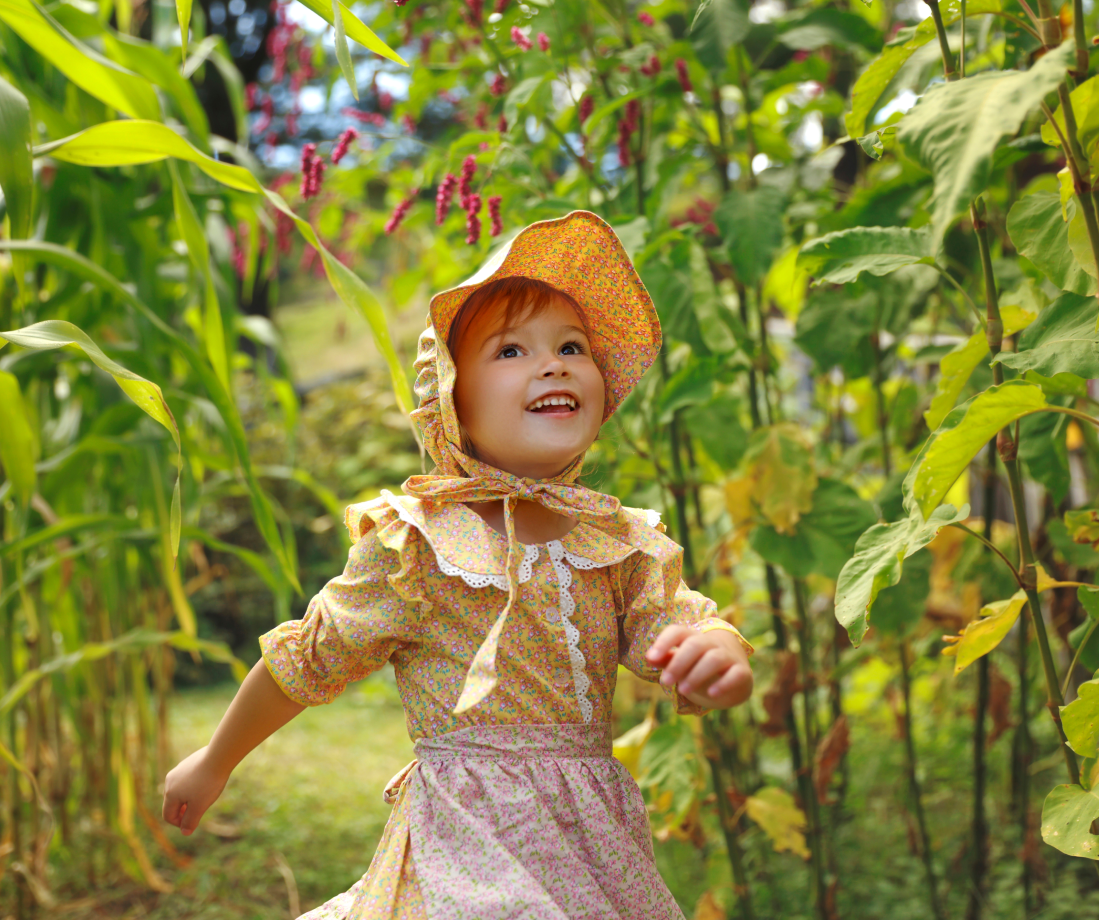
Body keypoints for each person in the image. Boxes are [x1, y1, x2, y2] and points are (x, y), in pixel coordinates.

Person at [162, 210, 754, 919]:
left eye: (573, 346)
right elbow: (309, 660)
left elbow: (678, 622)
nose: (553, 363)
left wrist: (713, 652)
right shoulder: (418, 545)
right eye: (511, 352)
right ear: (452, 402)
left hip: (592, 842)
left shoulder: (617, 540)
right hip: (468, 839)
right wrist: (216, 759)